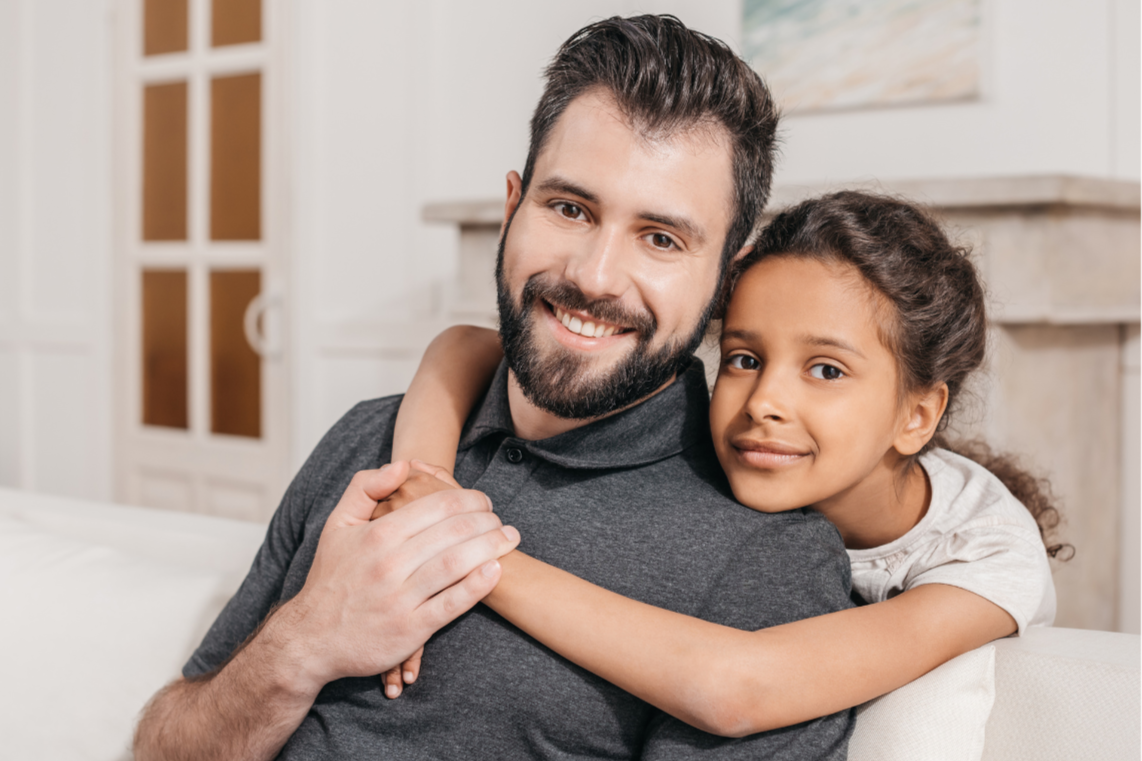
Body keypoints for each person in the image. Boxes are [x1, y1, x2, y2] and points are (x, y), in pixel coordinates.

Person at [134, 15, 856, 761]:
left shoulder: (762, 561)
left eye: (661, 239)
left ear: (725, 277)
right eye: (570, 208)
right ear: (512, 208)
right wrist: (303, 642)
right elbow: (160, 746)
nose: (593, 276)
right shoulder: (371, 437)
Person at [380, 191, 1064, 736]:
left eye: (825, 369)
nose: (764, 401)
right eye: (744, 357)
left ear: (917, 415)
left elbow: (740, 689)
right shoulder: (732, 436)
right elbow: (462, 345)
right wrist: (421, 486)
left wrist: (452, 552)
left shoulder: (991, 557)